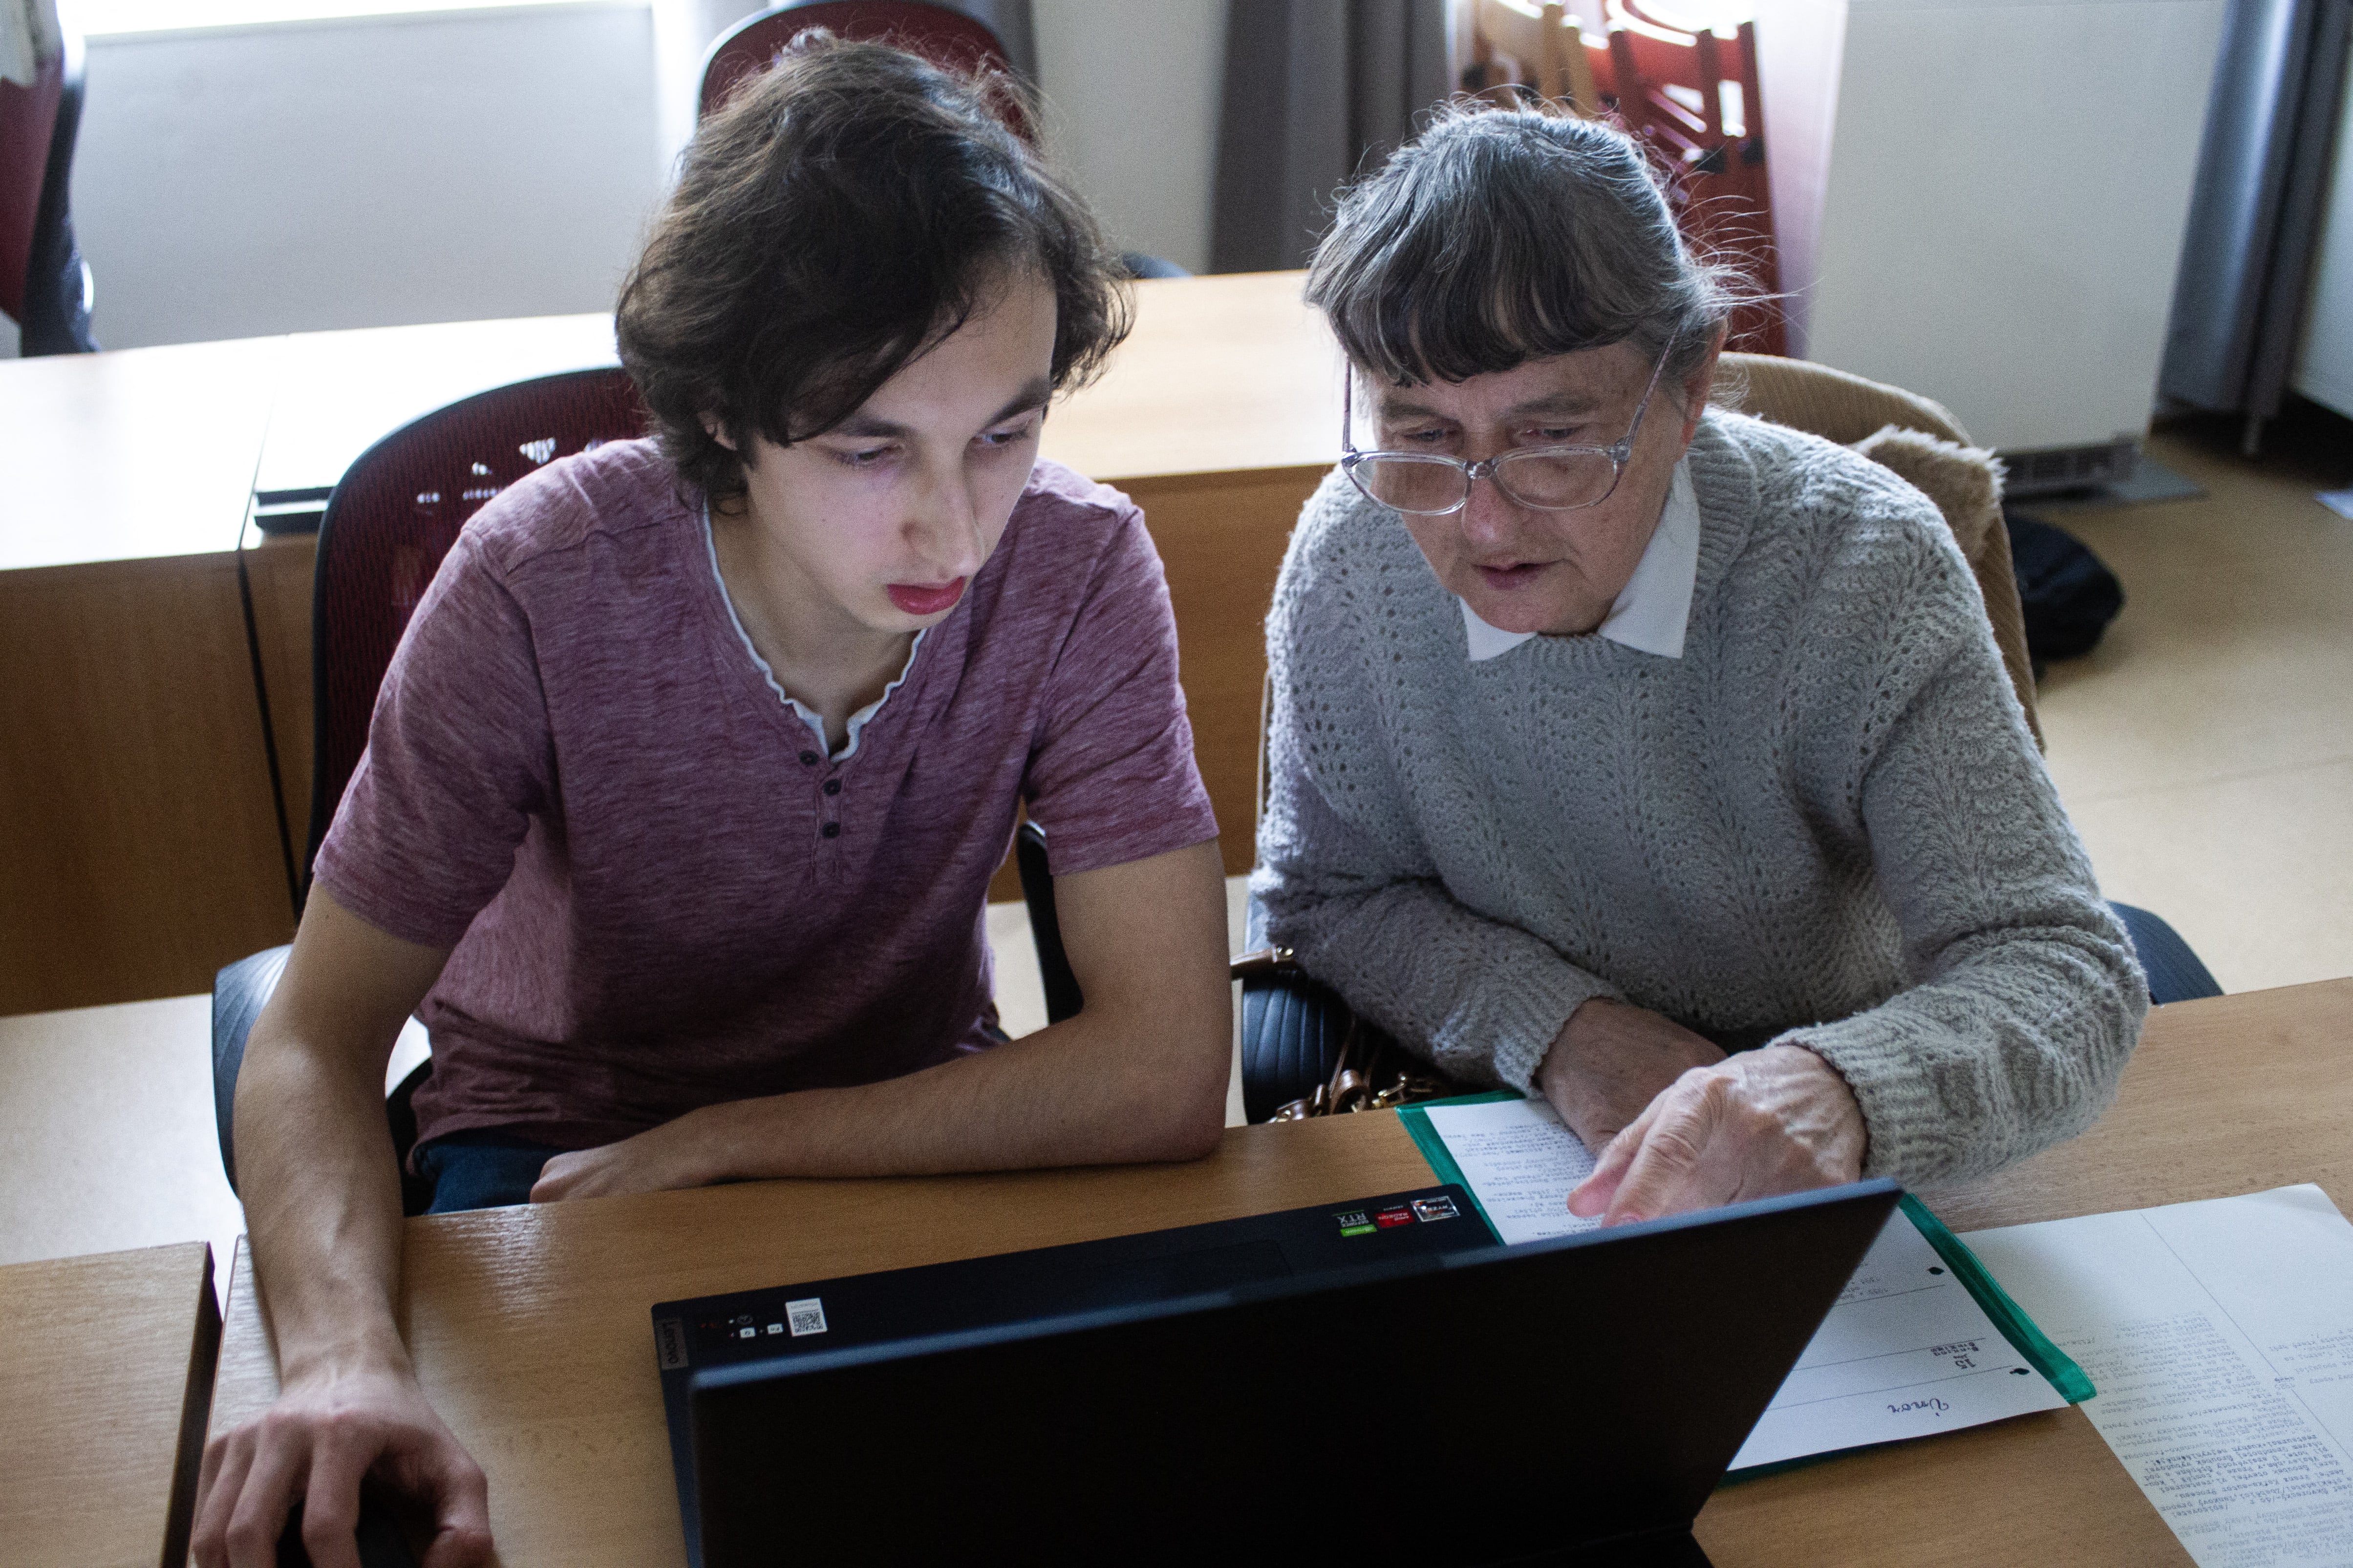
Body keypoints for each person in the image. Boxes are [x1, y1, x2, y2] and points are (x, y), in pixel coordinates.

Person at [193, 38, 1231, 1568]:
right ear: (728, 412)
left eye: (1006, 431)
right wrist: (343, 1354)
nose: (959, 522)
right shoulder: (540, 580)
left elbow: (1161, 1074)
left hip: (908, 1122)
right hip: (546, 1157)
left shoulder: (1079, 570)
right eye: (871, 447)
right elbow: (310, 1040)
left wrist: (742, 1140)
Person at [1254, 102, 2147, 1231]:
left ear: (1686, 388)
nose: (1480, 524)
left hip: (1839, 1121)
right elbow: (1328, 897)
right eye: (1423, 434)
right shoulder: (1353, 553)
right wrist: (1568, 1032)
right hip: (1516, 1127)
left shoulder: (1862, 561)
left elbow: (2056, 964)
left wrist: (1842, 1090)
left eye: (1550, 438)